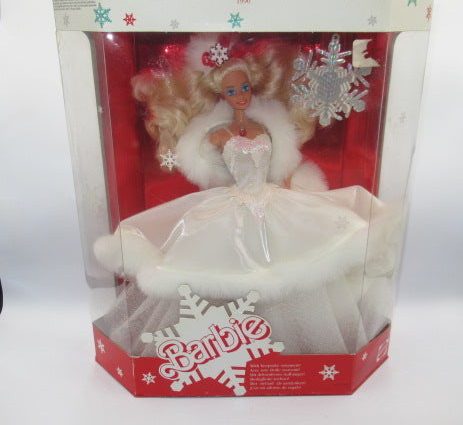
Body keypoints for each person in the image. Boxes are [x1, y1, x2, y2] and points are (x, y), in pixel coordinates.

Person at [94, 34, 401, 356]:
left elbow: (282, 168)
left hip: (273, 199)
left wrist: (295, 195)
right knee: (229, 265)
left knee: (291, 262)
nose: (240, 95)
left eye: (244, 88)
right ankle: (229, 339)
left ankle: (284, 341)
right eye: (231, 91)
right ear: (221, 95)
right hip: (236, 202)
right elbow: (208, 170)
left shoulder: (266, 128)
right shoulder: (215, 135)